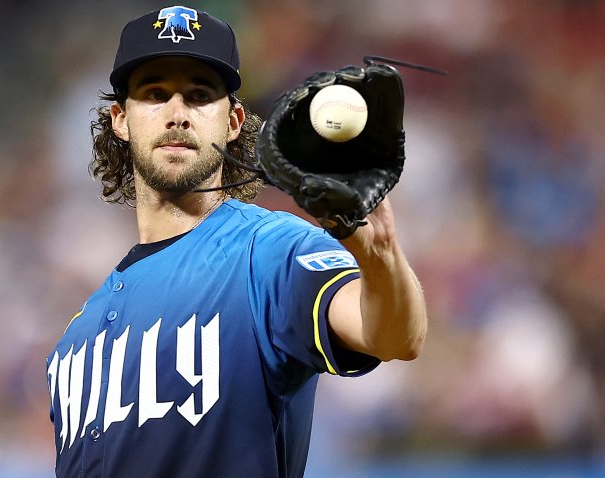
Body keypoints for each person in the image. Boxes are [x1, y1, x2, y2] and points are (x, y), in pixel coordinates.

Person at [45, 5, 428, 477]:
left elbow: (391, 336)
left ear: (233, 121)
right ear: (121, 120)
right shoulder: (73, 342)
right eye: (155, 93)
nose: (177, 114)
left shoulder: (269, 251)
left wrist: (380, 257)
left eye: (200, 96)